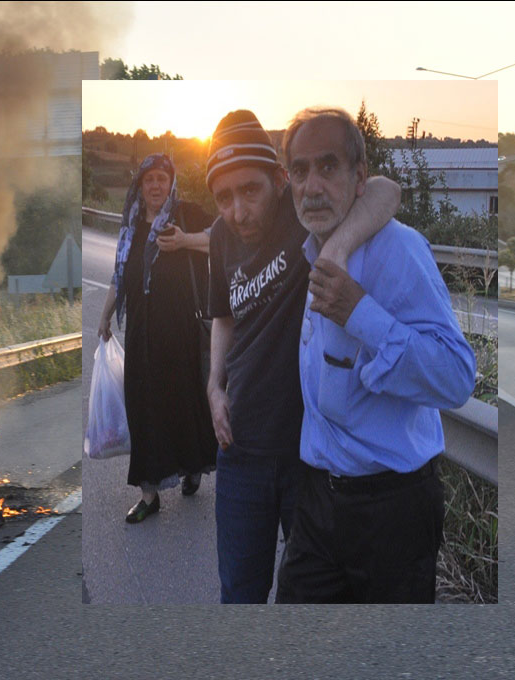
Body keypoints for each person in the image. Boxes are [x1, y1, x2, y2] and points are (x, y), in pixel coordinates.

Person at [275, 108, 476, 603]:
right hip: (318, 503)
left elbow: (457, 377)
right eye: (300, 171)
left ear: (358, 176)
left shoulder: (400, 250)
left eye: (328, 166)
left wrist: (360, 313)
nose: (312, 185)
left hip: (393, 510)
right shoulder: (313, 250)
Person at [205, 110, 400, 603]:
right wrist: (213, 384)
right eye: (224, 197)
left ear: (279, 179)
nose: (238, 210)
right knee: (239, 593)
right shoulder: (218, 236)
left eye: (250, 191)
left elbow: (384, 190)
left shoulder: (305, 218)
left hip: (307, 456)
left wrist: (335, 249)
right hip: (240, 451)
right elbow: (224, 315)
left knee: (311, 599)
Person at [97, 153, 217, 523]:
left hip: (179, 330)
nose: (155, 186)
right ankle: (149, 493)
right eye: (148, 179)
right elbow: (121, 275)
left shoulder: (187, 215)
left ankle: (192, 465)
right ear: (140, 184)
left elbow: (222, 239)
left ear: (171, 183)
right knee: (142, 408)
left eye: (161, 179)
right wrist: (105, 315)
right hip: (141, 335)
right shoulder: (131, 226)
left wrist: (185, 241)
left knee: (181, 402)